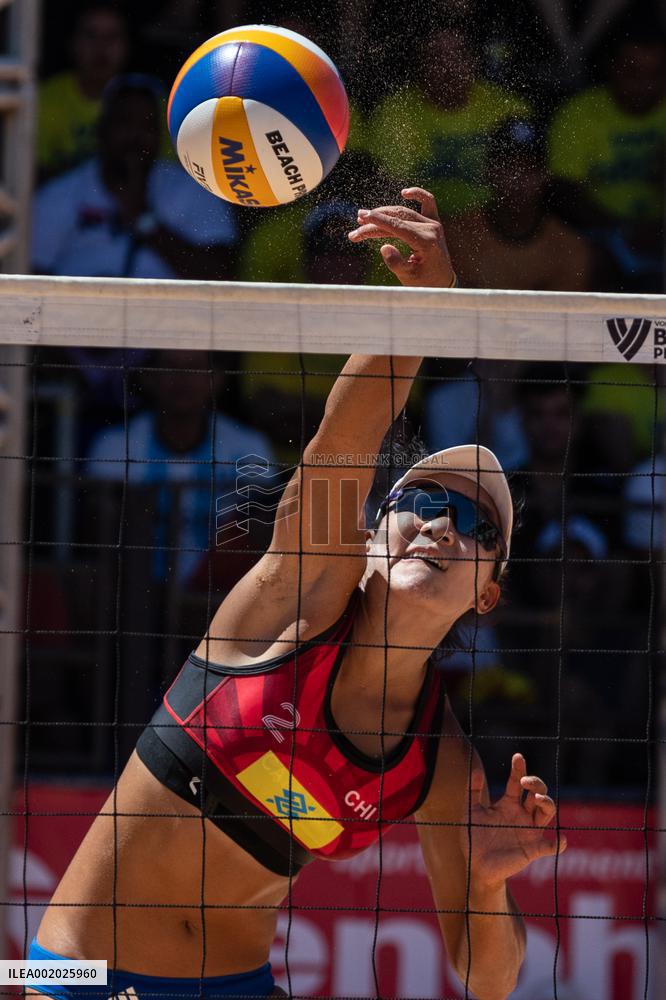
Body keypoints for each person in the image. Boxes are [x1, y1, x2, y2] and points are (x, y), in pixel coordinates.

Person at [29, 189, 564, 1000]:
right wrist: (428, 311)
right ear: (372, 536)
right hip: (81, 978)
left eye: (475, 525)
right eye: (420, 503)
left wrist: (488, 889)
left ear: (489, 593)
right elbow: (343, 445)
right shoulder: (300, 591)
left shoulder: (438, 759)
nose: (441, 526)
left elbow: (487, 980)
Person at [32, 74, 238, 280]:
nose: (135, 135)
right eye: (125, 122)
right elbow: (28, 279)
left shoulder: (191, 189)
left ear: (159, 135)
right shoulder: (60, 192)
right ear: (102, 129)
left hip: (166, 311)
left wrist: (144, 218)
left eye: (146, 125)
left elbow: (220, 278)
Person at [548, 25, 666, 291]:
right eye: (633, 72)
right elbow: (564, 193)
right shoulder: (578, 114)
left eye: (655, 74)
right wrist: (625, 230)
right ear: (612, 68)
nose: (644, 84)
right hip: (601, 236)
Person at [365, 28, 530, 218]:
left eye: (458, 55)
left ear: (475, 61)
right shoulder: (394, 115)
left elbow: (524, 189)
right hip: (420, 226)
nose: (448, 66)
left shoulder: (508, 109)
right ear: (419, 64)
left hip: (493, 228)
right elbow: (391, 194)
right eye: (436, 57)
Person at [446, 119, 595, 291]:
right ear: (488, 172)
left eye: (529, 169)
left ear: (545, 176)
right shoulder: (455, 236)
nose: (518, 180)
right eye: (509, 167)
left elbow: (562, 316)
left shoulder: (570, 247)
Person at [37, 2, 129, 181]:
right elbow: (31, 173)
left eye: (112, 37)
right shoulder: (45, 98)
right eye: (91, 35)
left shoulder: (151, 99)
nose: (101, 47)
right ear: (72, 43)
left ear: (127, 46)